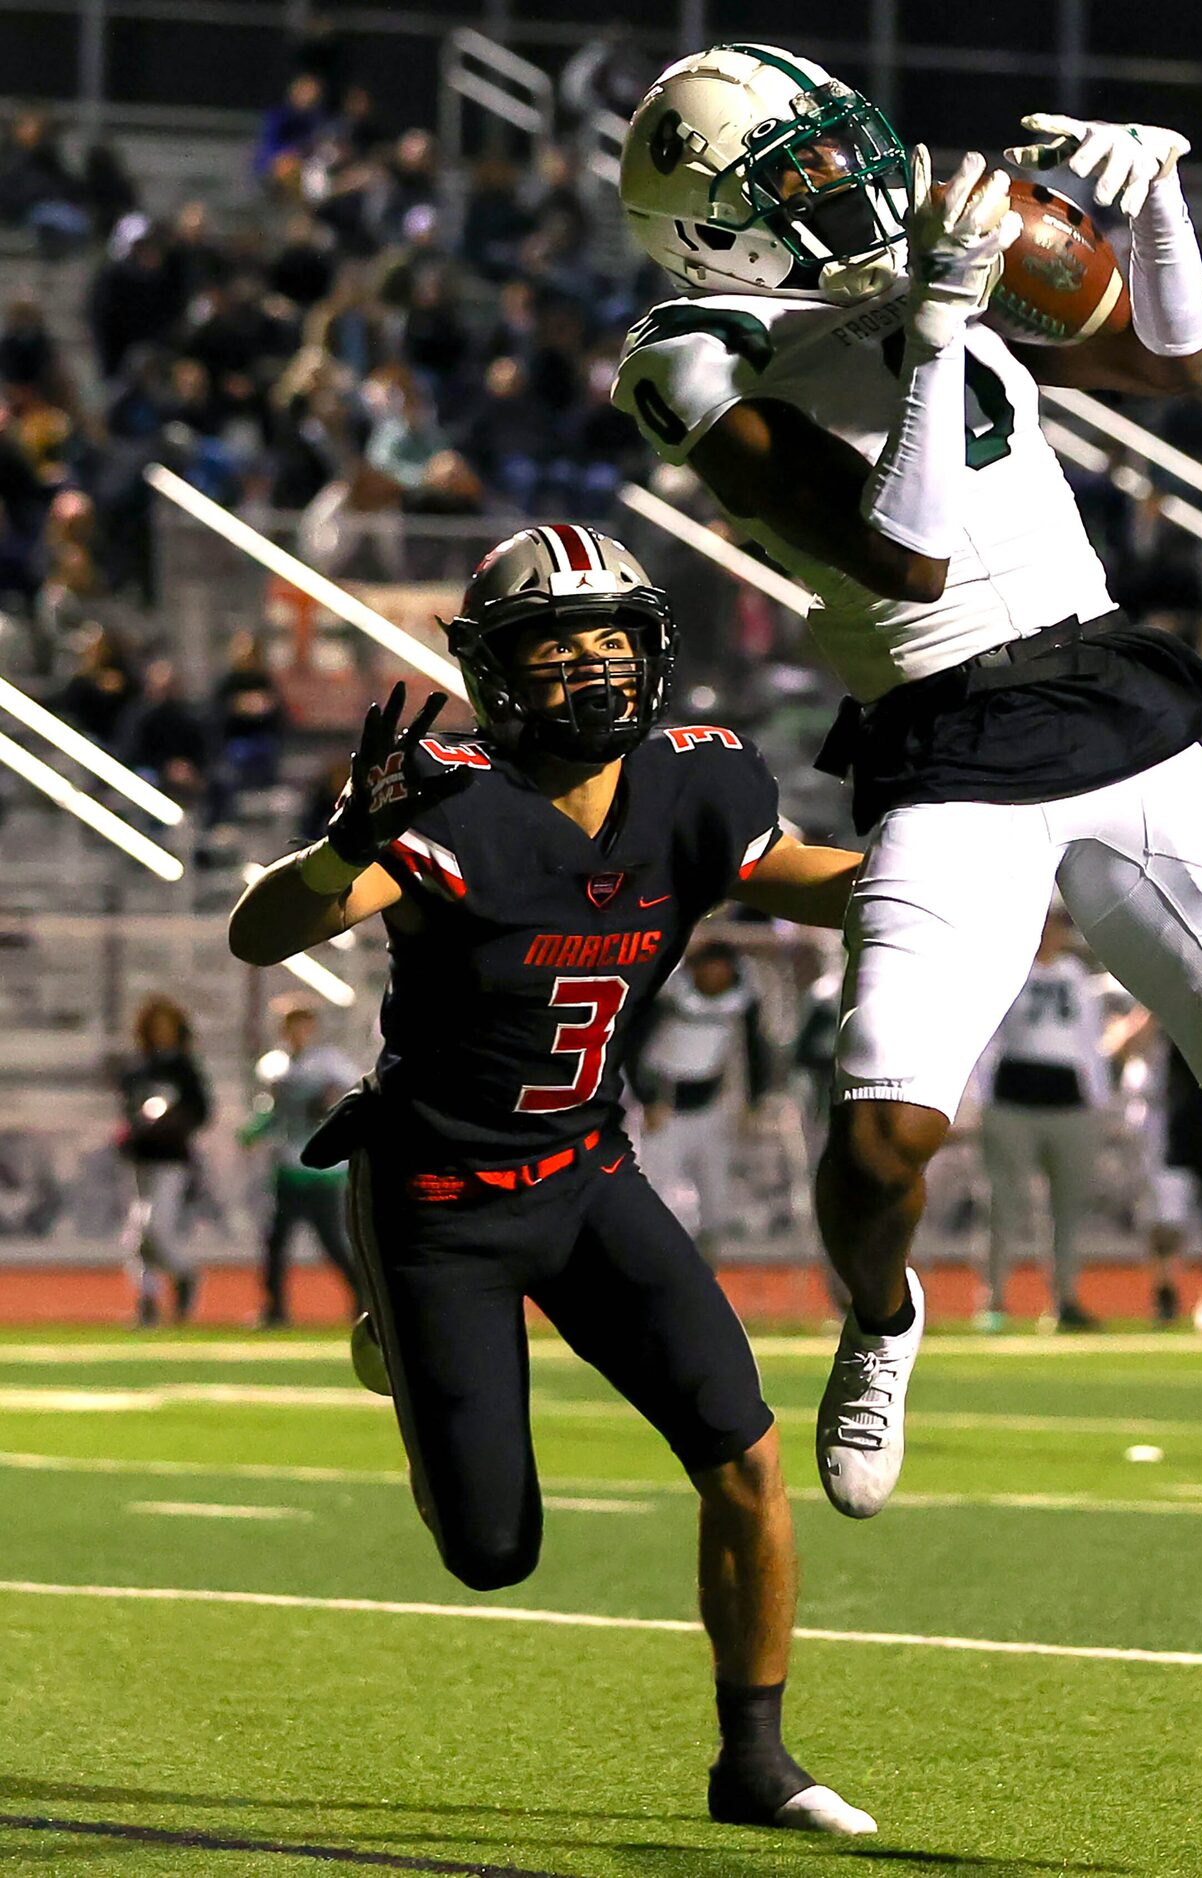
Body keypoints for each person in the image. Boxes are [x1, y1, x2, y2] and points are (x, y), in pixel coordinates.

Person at [611, 43, 1202, 1601]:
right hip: (947, 729)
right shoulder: (696, 346)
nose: (846, 184)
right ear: (716, 228)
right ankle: (886, 1314)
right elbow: (902, 562)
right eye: (797, 177)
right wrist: (941, 323)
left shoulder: (929, 249)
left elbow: (1175, 362)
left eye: (841, 151)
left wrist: (1160, 193)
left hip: (1113, 705)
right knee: (884, 1126)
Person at [228, 524, 874, 1836]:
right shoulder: (445, 804)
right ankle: (399, 1335)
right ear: (498, 668)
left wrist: (983, 867)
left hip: (588, 1174)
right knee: (491, 1551)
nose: (593, 664)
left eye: (612, 636)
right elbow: (264, 932)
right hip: (438, 1207)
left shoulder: (701, 786)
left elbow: (816, 882)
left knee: (743, 1449)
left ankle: (753, 1759)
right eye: (556, 642)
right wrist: (338, 847)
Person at [977, 907, 1108, 1330]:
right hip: (1013, 1096)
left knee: (1068, 1209)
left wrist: (1099, 1101)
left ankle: (1064, 1300)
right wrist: (976, 1097)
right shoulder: (1005, 967)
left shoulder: (1076, 977)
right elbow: (986, 1035)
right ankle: (994, 1300)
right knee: (1006, 1204)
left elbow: (1089, 1043)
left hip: (1068, 1100)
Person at [632, 938, 770, 1258]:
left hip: (710, 1104)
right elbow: (635, 1046)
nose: (715, 977)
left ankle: (706, 1268)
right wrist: (647, 1098)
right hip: (665, 1105)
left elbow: (754, 1049)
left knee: (716, 1198)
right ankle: (663, 1260)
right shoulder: (670, 994)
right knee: (663, 1196)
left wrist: (754, 1099)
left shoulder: (742, 997)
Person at [241, 997, 361, 1326]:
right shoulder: (273, 1065)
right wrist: (254, 1131)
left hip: (323, 1168)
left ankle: (363, 1301)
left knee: (333, 1241)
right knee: (276, 1242)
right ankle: (275, 1308)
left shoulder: (330, 1063)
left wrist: (329, 1103)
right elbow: (272, 1112)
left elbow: (350, 1096)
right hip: (287, 1163)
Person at [117, 994, 213, 1326]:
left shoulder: (184, 1068)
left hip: (172, 1159)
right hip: (142, 1157)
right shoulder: (139, 1066)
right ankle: (148, 1301)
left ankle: (185, 1274)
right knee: (137, 1237)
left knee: (154, 1227)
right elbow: (129, 1107)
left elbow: (202, 1112)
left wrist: (174, 1123)